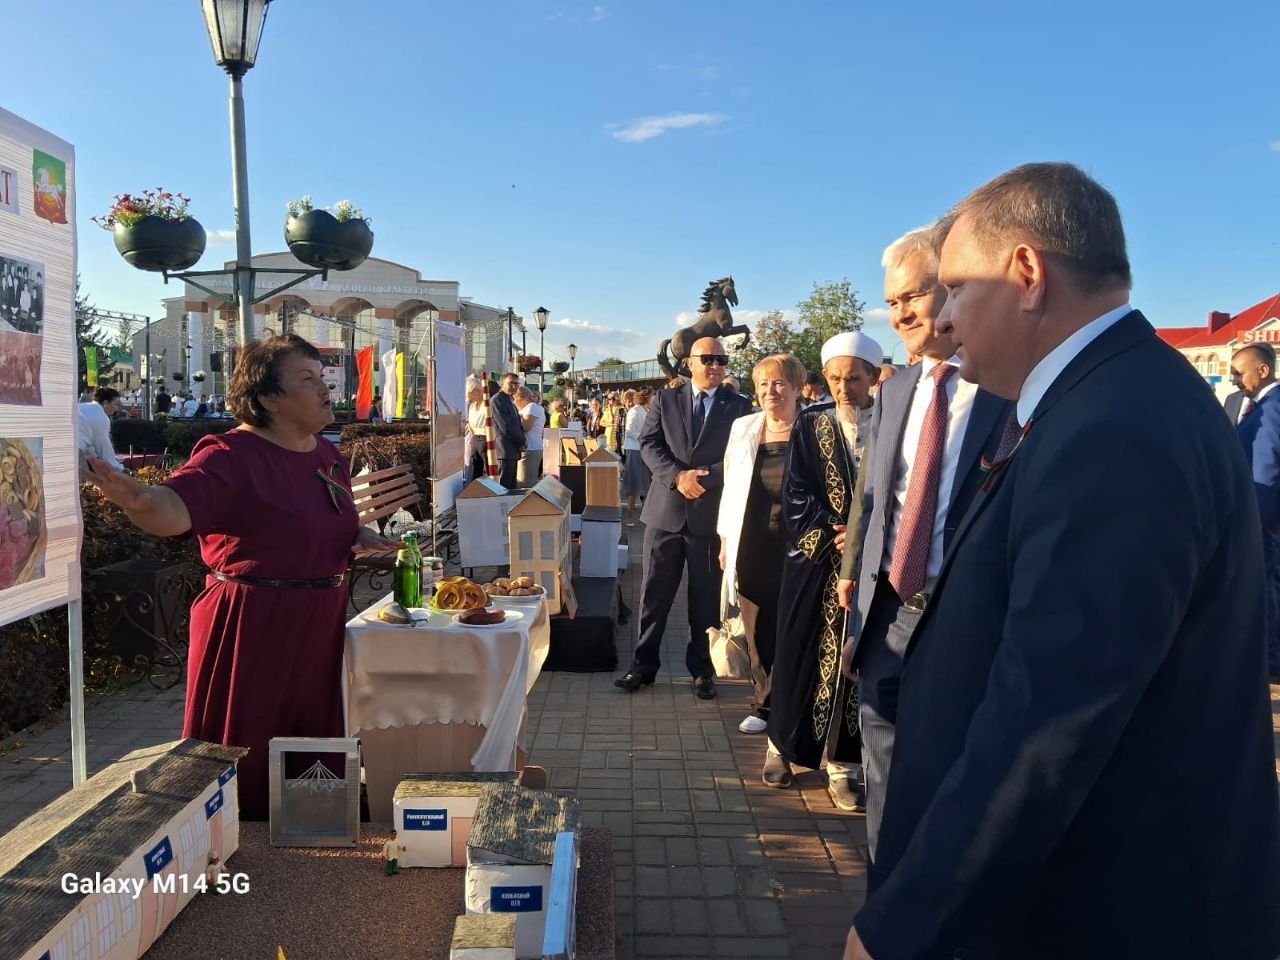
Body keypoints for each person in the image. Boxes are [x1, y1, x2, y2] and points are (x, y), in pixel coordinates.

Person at [843, 163, 1280, 960]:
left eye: (954, 290)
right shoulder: (1102, 398)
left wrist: (905, 922)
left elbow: (1048, 718)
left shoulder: (1116, 427)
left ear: (1026, 274)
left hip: (1097, 907)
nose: (942, 319)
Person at [81, 335, 397, 820]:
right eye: (307, 380)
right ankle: (230, 847)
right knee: (245, 743)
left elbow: (321, 516)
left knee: (311, 742)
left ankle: (312, 837)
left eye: (322, 376)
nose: (326, 389)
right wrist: (138, 499)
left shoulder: (325, 454)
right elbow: (173, 510)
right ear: (269, 398)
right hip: (253, 625)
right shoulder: (229, 454)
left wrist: (356, 533)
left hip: (318, 624)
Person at [834, 225, 1012, 860]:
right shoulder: (897, 391)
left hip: (965, 621)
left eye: (915, 295)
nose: (900, 312)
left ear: (956, 289)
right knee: (881, 767)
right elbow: (872, 497)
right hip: (887, 614)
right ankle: (884, 896)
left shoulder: (1008, 392)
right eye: (890, 302)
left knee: (953, 779)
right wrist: (854, 585)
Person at [767, 331, 881, 810]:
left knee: (858, 663)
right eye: (834, 378)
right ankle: (782, 747)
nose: (843, 387)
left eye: (853, 378)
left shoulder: (893, 424)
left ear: (873, 377)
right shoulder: (811, 425)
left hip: (874, 566)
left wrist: (865, 537)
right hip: (814, 566)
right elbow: (794, 493)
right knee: (800, 651)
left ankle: (844, 767)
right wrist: (829, 535)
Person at [615, 336, 752, 698]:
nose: (715, 365)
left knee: (704, 600)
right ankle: (643, 666)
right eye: (707, 358)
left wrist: (702, 477)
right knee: (654, 595)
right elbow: (649, 444)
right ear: (689, 362)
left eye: (721, 359)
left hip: (709, 518)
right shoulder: (666, 399)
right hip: (666, 514)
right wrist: (677, 477)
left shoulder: (739, 406)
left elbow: (742, 456)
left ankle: (702, 670)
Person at [718, 354, 806, 737]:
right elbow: (730, 486)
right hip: (751, 542)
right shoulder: (744, 428)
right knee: (756, 627)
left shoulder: (815, 427)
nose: (771, 391)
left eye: (780, 383)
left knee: (797, 625)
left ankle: (794, 706)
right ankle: (764, 701)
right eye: (764, 384)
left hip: (801, 545)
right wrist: (725, 540)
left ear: (798, 388)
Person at [1231, 343, 1280, 680]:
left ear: (1262, 370)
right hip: (1264, 521)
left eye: (1239, 371)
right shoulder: (1261, 405)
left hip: (1262, 522)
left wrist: (1253, 523)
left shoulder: (1272, 409)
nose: (1234, 379)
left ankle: (1269, 661)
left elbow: (1265, 470)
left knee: (1263, 589)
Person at [621, 387, 652, 524]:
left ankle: (646, 515)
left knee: (645, 482)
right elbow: (629, 432)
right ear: (646, 398)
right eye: (652, 397)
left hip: (642, 450)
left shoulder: (645, 411)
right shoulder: (635, 411)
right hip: (635, 450)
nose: (654, 400)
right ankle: (630, 514)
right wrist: (644, 437)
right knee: (633, 483)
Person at [490, 373, 526, 489]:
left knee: (511, 486)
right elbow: (506, 426)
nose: (514, 386)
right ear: (502, 383)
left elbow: (517, 424)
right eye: (511, 383)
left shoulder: (509, 400)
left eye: (517, 384)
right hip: (504, 450)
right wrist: (520, 442)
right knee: (503, 487)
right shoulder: (497, 400)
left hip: (512, 450)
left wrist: (522, 441)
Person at [78, 386, 124, 472]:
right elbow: (104, 448)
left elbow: (89, 445)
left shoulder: (84, 407)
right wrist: (119, 469)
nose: (117, 408)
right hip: (75, 451)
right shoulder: (101, 417)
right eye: (116, 404)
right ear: (106, 403)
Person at [517, 386, 546, 484]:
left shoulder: (532, 407)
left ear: (520, 398)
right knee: (525, 480)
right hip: (531, 448)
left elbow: (526, 426)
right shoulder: (535, 407)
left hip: (530, 448)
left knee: (525, 482)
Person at [465, 378, 489, 480]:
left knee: (489, 470)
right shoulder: (472, 406)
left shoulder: (488, 404)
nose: (469, 396)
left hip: (486, 438)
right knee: (476, 470)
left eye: (471, 393)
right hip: (475, 439)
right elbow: (469, 423)